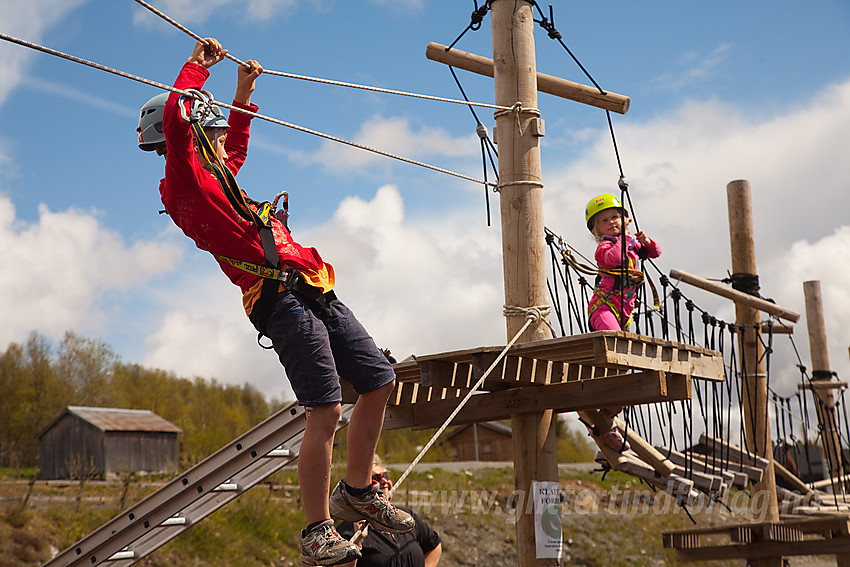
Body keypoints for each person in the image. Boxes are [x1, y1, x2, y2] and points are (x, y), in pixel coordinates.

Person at [137, 38, 413, 567]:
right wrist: (196, 67)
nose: (220, 142)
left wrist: (242, 93)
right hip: (276, 296)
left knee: (379, 379)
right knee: (326, 407)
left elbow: (234, 151)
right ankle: (316, 529)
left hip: (308, 283)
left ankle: (358, 491)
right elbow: (178, 117)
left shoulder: (215, 177)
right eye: (211, 132)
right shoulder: (183, 183)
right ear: (189, 138)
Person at [583, 193, 662, 452]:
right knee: (616, 347)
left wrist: (644, 240)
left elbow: (654, 252)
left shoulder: (631, 244)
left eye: (615, 217)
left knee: (622, 373)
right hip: (603, 309)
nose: (612, 223)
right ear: (597, 231)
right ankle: (604, 420)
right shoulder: (605, 247)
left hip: (623, 315)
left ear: (624, 218)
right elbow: (615, 259)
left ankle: (605, 422)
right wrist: (626, 236)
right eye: (604, 221)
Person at [337, 459, 442, 567]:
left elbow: (434, 545)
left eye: (386, 475)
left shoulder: (405, 517)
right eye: (375, 478)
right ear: (361, 489)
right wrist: (357, 542)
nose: (384, 480)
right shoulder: (349, 530)